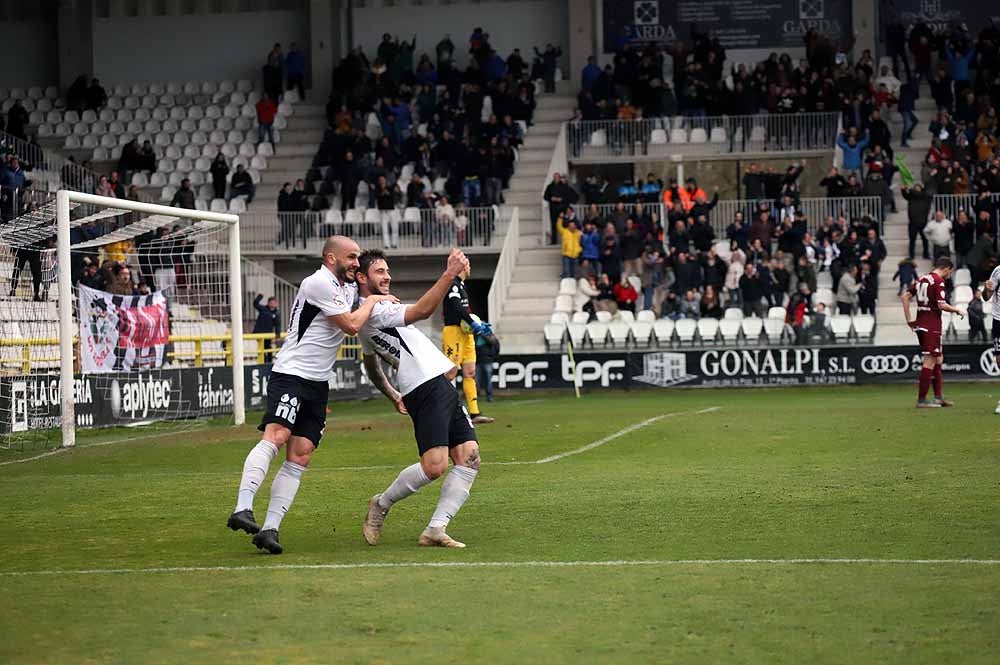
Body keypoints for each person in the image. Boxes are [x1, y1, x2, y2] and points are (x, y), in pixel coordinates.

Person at [226, 236, 399, 554]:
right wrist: (374, 301)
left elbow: (365, 301)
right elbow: (349, 325)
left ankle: (269, 530)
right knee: (276, 436)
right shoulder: (318, 282)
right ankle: (242, 507)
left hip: (318, 383)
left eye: (358, 258)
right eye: (351, 257)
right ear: (331, 258)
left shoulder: (346, 285)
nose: (356, 262)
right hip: (291, 374)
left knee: (301, 454)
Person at [358, 248, 481, 549]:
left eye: (387, 271)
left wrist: (391, 394)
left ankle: (435, 529)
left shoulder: (367, 311)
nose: (387, 276)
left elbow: (370, 363)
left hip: (438, 383)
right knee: (434, 466)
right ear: (362, 278)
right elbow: (424, 311)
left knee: (469, 456)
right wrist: (449, 273)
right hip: (424, 387)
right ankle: (381, 503)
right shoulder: (374, 310)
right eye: (379, 272)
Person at [901, 257, 966, 408]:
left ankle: (938, 397)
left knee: (938, 359)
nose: (950, 275)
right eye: (950, 271)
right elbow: (941, 305)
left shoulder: (922, 278)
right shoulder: (938, 281)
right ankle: (922, 400)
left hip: (922, 324)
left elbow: (905, 296)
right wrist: (957, 309)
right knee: (930, 360)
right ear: (946, 268)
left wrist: (909, 319)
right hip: (931, 326)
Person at [441, 262, 494, 424]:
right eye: (468, 264)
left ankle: (474, 413)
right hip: (454, 332)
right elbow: (457, 307)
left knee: (470, 373)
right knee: (450, 374)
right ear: (462, 268)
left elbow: (463, 309)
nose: (470, 267)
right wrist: (473, 322)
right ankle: (443, 411)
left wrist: (477, 323)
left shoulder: (462, 286)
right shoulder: (453, 284)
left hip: (466, 334)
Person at [983, 266, 1000, 414]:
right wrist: (987, 289)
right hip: (999, 321)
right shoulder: (998, 271)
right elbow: (986, 297)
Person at [252, 294, 281, 363]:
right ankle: (262, 362)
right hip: (259, 332)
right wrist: (260, 296)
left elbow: (277, 324)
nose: (273, 304)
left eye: (274, 302)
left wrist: (278, 334)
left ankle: (269, 362)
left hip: (268, 334)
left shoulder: (276, 313)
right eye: (271, 302)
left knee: (268, 348)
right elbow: (255, 304)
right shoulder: (263, 309)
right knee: (262, 348)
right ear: (268, 303)